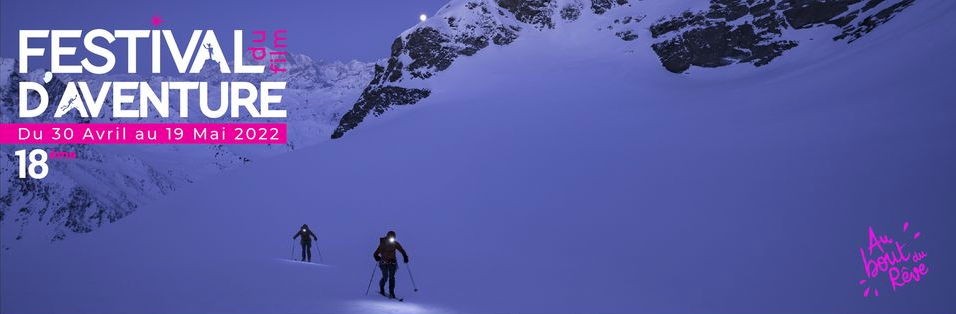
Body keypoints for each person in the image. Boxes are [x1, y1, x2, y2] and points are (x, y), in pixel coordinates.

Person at [373, 230, 409, 299]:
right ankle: (381, 287)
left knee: (392, 277)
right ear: (387, 237)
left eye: (393, 237)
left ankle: (391, 292)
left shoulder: (395, 243)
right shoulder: (382, 244)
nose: (392, 239)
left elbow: (401, 250)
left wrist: (405, 256)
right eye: (391, 237)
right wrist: (376, 257)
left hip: (392, 262)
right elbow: (375, 253)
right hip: (383, 262)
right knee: (385, 276)